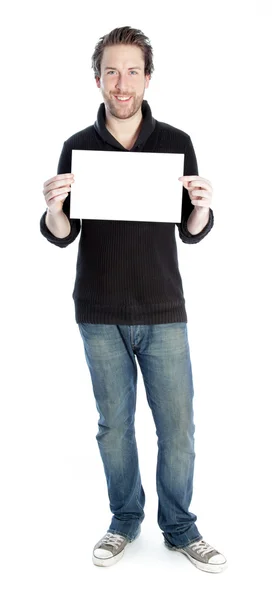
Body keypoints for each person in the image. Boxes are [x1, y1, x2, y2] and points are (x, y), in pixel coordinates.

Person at [40, 26, 227, 573]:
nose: (122, 83)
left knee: (178, 428)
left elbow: (192, 230)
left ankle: (180, 527)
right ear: (97, 77)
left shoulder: (176, 141)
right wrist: (54, 207)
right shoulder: (78, 145)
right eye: (112, 71)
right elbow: (62, 231)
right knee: (114, 426)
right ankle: (125, 519)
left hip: (164, 310)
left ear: (148, 77)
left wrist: (201, 205)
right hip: (99, 312)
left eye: (133, 71)